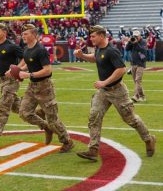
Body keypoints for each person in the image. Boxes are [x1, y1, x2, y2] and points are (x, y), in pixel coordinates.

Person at [74, 25, 155, 161]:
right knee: (94, 117)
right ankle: (93, 150)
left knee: (130, 119)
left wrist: (104, 82)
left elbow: (121, 69)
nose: (90, 38)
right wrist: (82, 55)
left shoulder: (111, 50)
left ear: (101, 35)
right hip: (103, 92)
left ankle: (148, 139)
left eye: (93, 36)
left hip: (117, 91)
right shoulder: (99, 48)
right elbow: (96, 58)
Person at [17, 23, 73, 153]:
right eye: (22, 34)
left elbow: (48, 70)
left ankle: (67, 141)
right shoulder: (27, 49)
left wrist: (28, 74)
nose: (23, 36)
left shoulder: (40, 49)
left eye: (26, 33)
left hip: (44, 86)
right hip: (32, 86)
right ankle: (45, 126)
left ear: (34, 35)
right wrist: (17, 70)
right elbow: (27, 65)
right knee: (24, 113)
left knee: (53, 119)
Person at [126, 30, 147, 102]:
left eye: (137, 36)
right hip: (133, 64)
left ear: (140, 36)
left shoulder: (143, 42)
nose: (135, 37)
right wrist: (129, 41)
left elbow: (142, 51)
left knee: (138, 80)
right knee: (136, 82)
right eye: (134, 36)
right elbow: (126, 49)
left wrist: (136, 43)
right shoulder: (132, 41)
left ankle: (135, 96)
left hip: (140, 63)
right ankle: (142, 96)